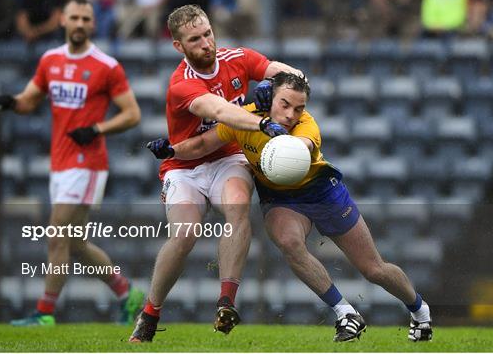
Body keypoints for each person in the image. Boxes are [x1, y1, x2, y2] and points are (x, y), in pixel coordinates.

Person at [146, 72, 433, 342]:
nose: (290, 114)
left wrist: (283, 139)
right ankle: (345, 313)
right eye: (284, 104)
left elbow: (304, 146)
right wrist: (172, 150)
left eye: (298, 108)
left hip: (322, 192)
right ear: (269, 99)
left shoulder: (306, 126)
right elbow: (203, 144)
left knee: (374, 269)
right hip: (280, 199)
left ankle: (419, 311)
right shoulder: (245, 118)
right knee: (288, 241)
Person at [128, 4, 299, 342]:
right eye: (195, 39)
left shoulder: (237, 57)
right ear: (179, 46)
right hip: (183, 166)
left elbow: (286, 73)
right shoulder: (182, 85)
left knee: (238, 210)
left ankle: (225, 303)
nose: (206, 43)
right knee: (185, 234)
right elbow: (219, 110)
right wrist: (263, 122)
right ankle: (150, 313)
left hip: (227, 158)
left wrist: (282, 84)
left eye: (208, 33)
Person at [0, 0, 144, 326]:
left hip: (87, 161)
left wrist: (97, 129)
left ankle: (44, 314)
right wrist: (12, 102)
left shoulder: (106, 66)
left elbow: (133, 114)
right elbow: (29, 100)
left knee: (57, 234)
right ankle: (127, 293)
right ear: (62, 20)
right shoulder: (50, 60)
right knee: (75, 243)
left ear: (92, 24)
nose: (79, 24)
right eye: (73, 17)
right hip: (60, 161)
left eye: (85, 19)